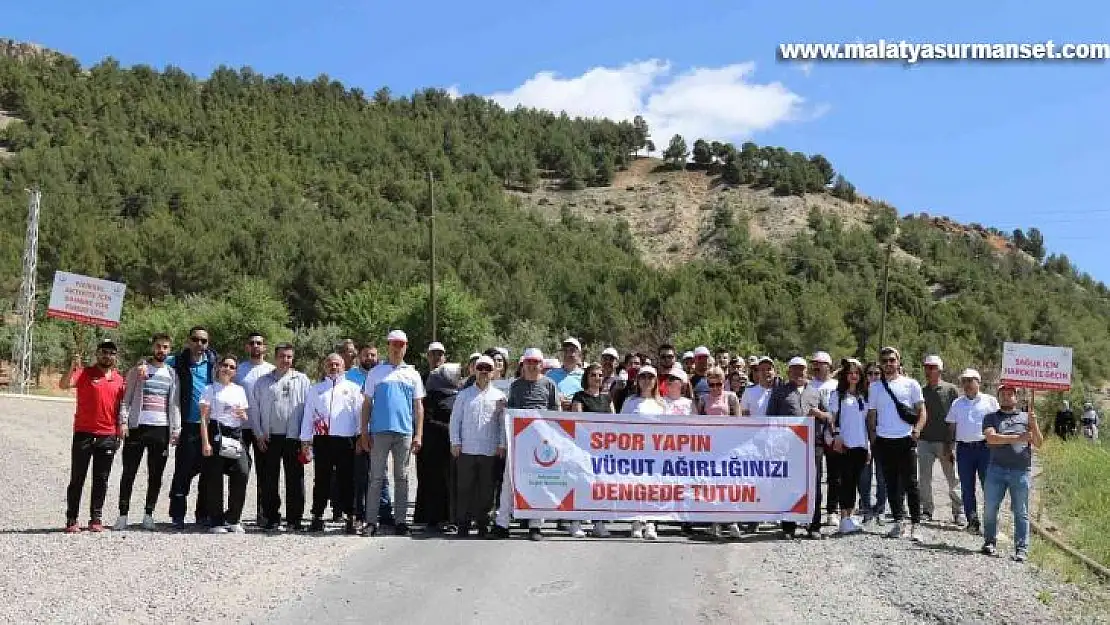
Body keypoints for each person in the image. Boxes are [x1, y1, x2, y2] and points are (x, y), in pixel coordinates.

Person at [360, 330, 426, 537]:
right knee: (376, 478)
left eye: (401, 344)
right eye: (394, 344)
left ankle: (400, 522)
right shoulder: (376, 373)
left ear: (406, 347)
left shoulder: (412, 374)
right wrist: (364, 431)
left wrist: (419, 434)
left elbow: (418, 407)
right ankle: (371, 522)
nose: (397, 348)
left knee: (402, 477)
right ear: (388, 346)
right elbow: (367, 404)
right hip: (379, 432)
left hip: (404, 432)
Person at [114, 333, 180, 531]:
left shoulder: (172, 374)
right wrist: (123, 421)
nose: (161, 350)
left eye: (165, 347)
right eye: (158, 346)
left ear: (169, 350)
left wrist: (176, 429)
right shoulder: (139, 370)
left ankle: (148, 515)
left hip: (161, 430)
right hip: (137, 428)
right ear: (153, 347)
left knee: (156, 475)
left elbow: (175, 403)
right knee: (129, 473)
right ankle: (123, 515)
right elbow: (126, 398)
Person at [60, 339, 126, 533]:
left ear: (115, 357)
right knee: (77, 477)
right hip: (84, 432)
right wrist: (72, 367)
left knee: (101, 479)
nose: (107, 356)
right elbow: (64, 385)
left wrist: (121, 427)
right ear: (97, 354)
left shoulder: (119, 379)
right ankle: (72, 519)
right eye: (104, 352)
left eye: (111, 353)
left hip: (108, 434)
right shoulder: (84, 373)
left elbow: (123, 406)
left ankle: (95, 519)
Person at [492, 347, 559, 540]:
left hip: (540, 443)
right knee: (508, 482)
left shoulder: (549, 385)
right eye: (528, 362)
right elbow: (510, 413)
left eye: (535, 362)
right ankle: (502, 523)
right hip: (518, 441)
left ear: (541, 365)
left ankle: (535, 525)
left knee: (537, 482)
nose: (531, 366)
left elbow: (555, 413)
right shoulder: (515, 386)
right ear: (523, 364)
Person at [867, 346, 927, 542]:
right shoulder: (875, 387)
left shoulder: (911, 384)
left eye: (892, 360)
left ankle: (916, 524)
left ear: (899, 361)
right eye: (884, 361)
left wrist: (917, 430)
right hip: (884, 440)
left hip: (906, 439)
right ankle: (899, 522)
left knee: (911, 483)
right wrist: (873, 437)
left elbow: (922, 411)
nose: (888, 364)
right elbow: (872, 414)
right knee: (891, 483)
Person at [981, 383, 1043, 561]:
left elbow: (1038, 443)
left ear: (1016, 397)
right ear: (999, 397)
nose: (1007, 397)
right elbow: (991, 438)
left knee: (1021, 511)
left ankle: (1021, 549)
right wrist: (1018, 438)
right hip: (996, 470)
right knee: (990, 509)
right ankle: (990, 542)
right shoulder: (990, 417)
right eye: (1003, 394)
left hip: (1020, 471)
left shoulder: (1026, 417)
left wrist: (1034, 424)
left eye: (1010, 394)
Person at [303, 353, 364, 534]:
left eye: (337, 364)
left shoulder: (353, 388)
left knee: (347, 479)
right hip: (323, 439)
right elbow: (308, 415)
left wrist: (361, 436)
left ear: (343, 366)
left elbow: (360, 414)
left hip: (346, 439)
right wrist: (305, 439)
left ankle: (350, 516)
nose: (334, 367)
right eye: (330, 364)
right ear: (324, 366)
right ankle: (317, 516)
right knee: (322, 479)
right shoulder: (317, 389)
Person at [768, 357, 826, 540]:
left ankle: (814, 525)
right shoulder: (779, 392)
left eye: (801, 369)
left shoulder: (816, 393)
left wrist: (819, 414)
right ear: (788, 371)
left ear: (807, 370)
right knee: (789, 485)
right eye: (794, 369)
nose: (798, 372)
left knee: (814, 486)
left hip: (812, 445)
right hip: (788, 447)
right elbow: (770, 419)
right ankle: (788, 527)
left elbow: (829, 417)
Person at [166, 326, 218, 531]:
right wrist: (143, 363)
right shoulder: (177, 361)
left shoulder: (214, 363)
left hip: (210, 426)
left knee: (207, 473)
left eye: (204, 341)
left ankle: (202, 515)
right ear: (188, 341)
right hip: (188, 426)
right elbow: (156, 362)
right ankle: (177, 515)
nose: (200, 344)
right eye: (195, 339)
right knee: (183, 472)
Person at [255, 343, 310, 531]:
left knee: (295, 479)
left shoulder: (302, 380)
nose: (285, 360)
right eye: (282, 356)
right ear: (275, 357)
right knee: (269, 479)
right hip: (270, 437)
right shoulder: (263, 381)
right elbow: (255, 409)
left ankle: (294, 519)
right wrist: (259, 433)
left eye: (289, 357)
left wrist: (306, 438)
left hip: (293, 438)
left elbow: (309, 411)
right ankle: (271, 517)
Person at [449, 355, 506, 538]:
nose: (483, 371)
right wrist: (455, 442)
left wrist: (502, 444)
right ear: (475, 370)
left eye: (487, 368)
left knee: (487, 490)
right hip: (466, 449)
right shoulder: (464, 395)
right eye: (480, 367)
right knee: (464, 488)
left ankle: (483, 524)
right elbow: (455, 420)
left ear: (493, 373)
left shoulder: (500, 397)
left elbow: (502, 424)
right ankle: (463, 524)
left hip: (489, 450)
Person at [198, 355, 252, 533]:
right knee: (214, 477)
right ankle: (216, 521)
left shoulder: (239, 390)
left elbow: (244, 416)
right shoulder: (210, 389)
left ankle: (233, 518)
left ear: (235, 371)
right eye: (224, 365)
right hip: (216, 432)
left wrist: (242, 415)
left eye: (231, 367)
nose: (227, 369)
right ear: (218, 367)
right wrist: (205, 443)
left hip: (235, 434)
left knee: (242, 471)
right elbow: (204, 419)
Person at [946, 368, 999, 536]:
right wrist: (950, 447)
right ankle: (972, 520)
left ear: (979, 382)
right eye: (965, 381)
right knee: (967, 487)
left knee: (988, 486)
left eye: (971, 380)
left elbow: (998, 424)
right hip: (964, 450)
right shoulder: (957, 403)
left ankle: (991, 523)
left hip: (985, 449)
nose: (967, 384)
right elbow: (951, 427)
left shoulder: (990, 401)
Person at [620, 365, 666, 540]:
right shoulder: (630, 402)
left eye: (650, 377)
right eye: (643, 377)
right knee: (637, 487)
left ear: (655, 381)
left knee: (653, 488)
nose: (647, 380)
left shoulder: (662, 404)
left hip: (656, 452)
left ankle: (652, 523)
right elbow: (621, 425)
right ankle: (637, 522)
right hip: (635, 451)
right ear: (638, 381)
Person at [346, 344, 390, 525]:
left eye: (373, 355)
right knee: (360, 475)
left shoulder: (383, 374)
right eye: (366, 355)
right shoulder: (349, 377)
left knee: (382, 473)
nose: (370, 358)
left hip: (379, 430)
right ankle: (359, 513)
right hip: (358, 431)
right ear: (359, 357)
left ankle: (385, 511)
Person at [571, 362, 615, 538]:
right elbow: (577, 421)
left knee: (600, 487)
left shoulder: (607, 398)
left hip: (603, 450)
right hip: (583, 448)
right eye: (593, 375)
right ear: (586, 378)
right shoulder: (579, 397)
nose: (597, 378)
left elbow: (614, 423)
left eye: (599, 375)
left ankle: (599, 523)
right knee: (582, 485)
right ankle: (576, 522)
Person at [417, 351, 460, 532]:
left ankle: (451, 518)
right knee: (433, 482)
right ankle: (432, 518)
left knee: (451, 483)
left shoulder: (458, 396)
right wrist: (448, 427)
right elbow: (428, 419)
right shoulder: (430, 398)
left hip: (451, 447)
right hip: (433, 446)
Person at [235, 332, 275, 526]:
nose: (256, 346)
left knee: (265, 472)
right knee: (240, 471)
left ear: (265, 348)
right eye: (252, 343)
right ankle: (235, 514)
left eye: (259, 343)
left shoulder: (272, 371)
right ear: (246, 347)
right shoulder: (238, 370)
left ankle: (264, 514)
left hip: (264, 429)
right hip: (241, 428)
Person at [697, 365, 742, 539]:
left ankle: (732, 522)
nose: (715, 388)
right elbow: (698, 424)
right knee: (713, 486)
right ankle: (715, 522)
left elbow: (738, 422)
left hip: (728, 446)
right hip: (710, 448)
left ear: (724, 383)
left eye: (719, 384)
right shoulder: (703, 399)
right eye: (712, 384)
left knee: (730, 485)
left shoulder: (731, 397)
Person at [917, 354, 962, 525]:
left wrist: (952, 442)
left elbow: (958, 415)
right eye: (926, 367)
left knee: (952, 477)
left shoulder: (951, 390)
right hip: (925, 440)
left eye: (932, 367)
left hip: (945, 442)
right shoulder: (921, 390)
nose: (928, 371)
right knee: (924, 478)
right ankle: (927, 510)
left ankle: (958, 512)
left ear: (940, 370)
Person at [828, 358, 870, 535]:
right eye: (850, 372)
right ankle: (843, 517)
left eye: (857, 373)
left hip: (860, 444)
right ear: (845, 375)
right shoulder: (837, 395)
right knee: (845, 481)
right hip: (845, 443)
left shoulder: (863, 396)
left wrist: (868, 446)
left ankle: (850, 515)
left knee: (854, 481)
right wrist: (836, 435)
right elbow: (832, 418)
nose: (853, 376)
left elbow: (866, 422)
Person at [808, 351, 839, 527]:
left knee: (835, 475)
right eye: (814, 363)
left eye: (820, 363)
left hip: (834, 433)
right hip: (815, 435)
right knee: (815, 475)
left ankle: (832, 510)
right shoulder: (809, 385)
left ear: (828, 365)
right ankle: (814, 510)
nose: (816, 366)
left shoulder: (836, 385)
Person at [858, 363, 888, 523]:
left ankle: (881, 507)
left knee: (883, 476)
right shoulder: (860, 395)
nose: (873, 376)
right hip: (863, 439)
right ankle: (866, 508)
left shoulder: (886, 393)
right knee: (864, 475)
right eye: (870, 373)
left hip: (882, 439)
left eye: (877, 373)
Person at [546, 338, 585, 408]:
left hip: (578, 415)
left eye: (572, 350)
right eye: (565, 351)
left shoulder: (585, 376)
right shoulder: (550, 375)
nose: (568, 354)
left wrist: (574, 402)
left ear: (579, 354)